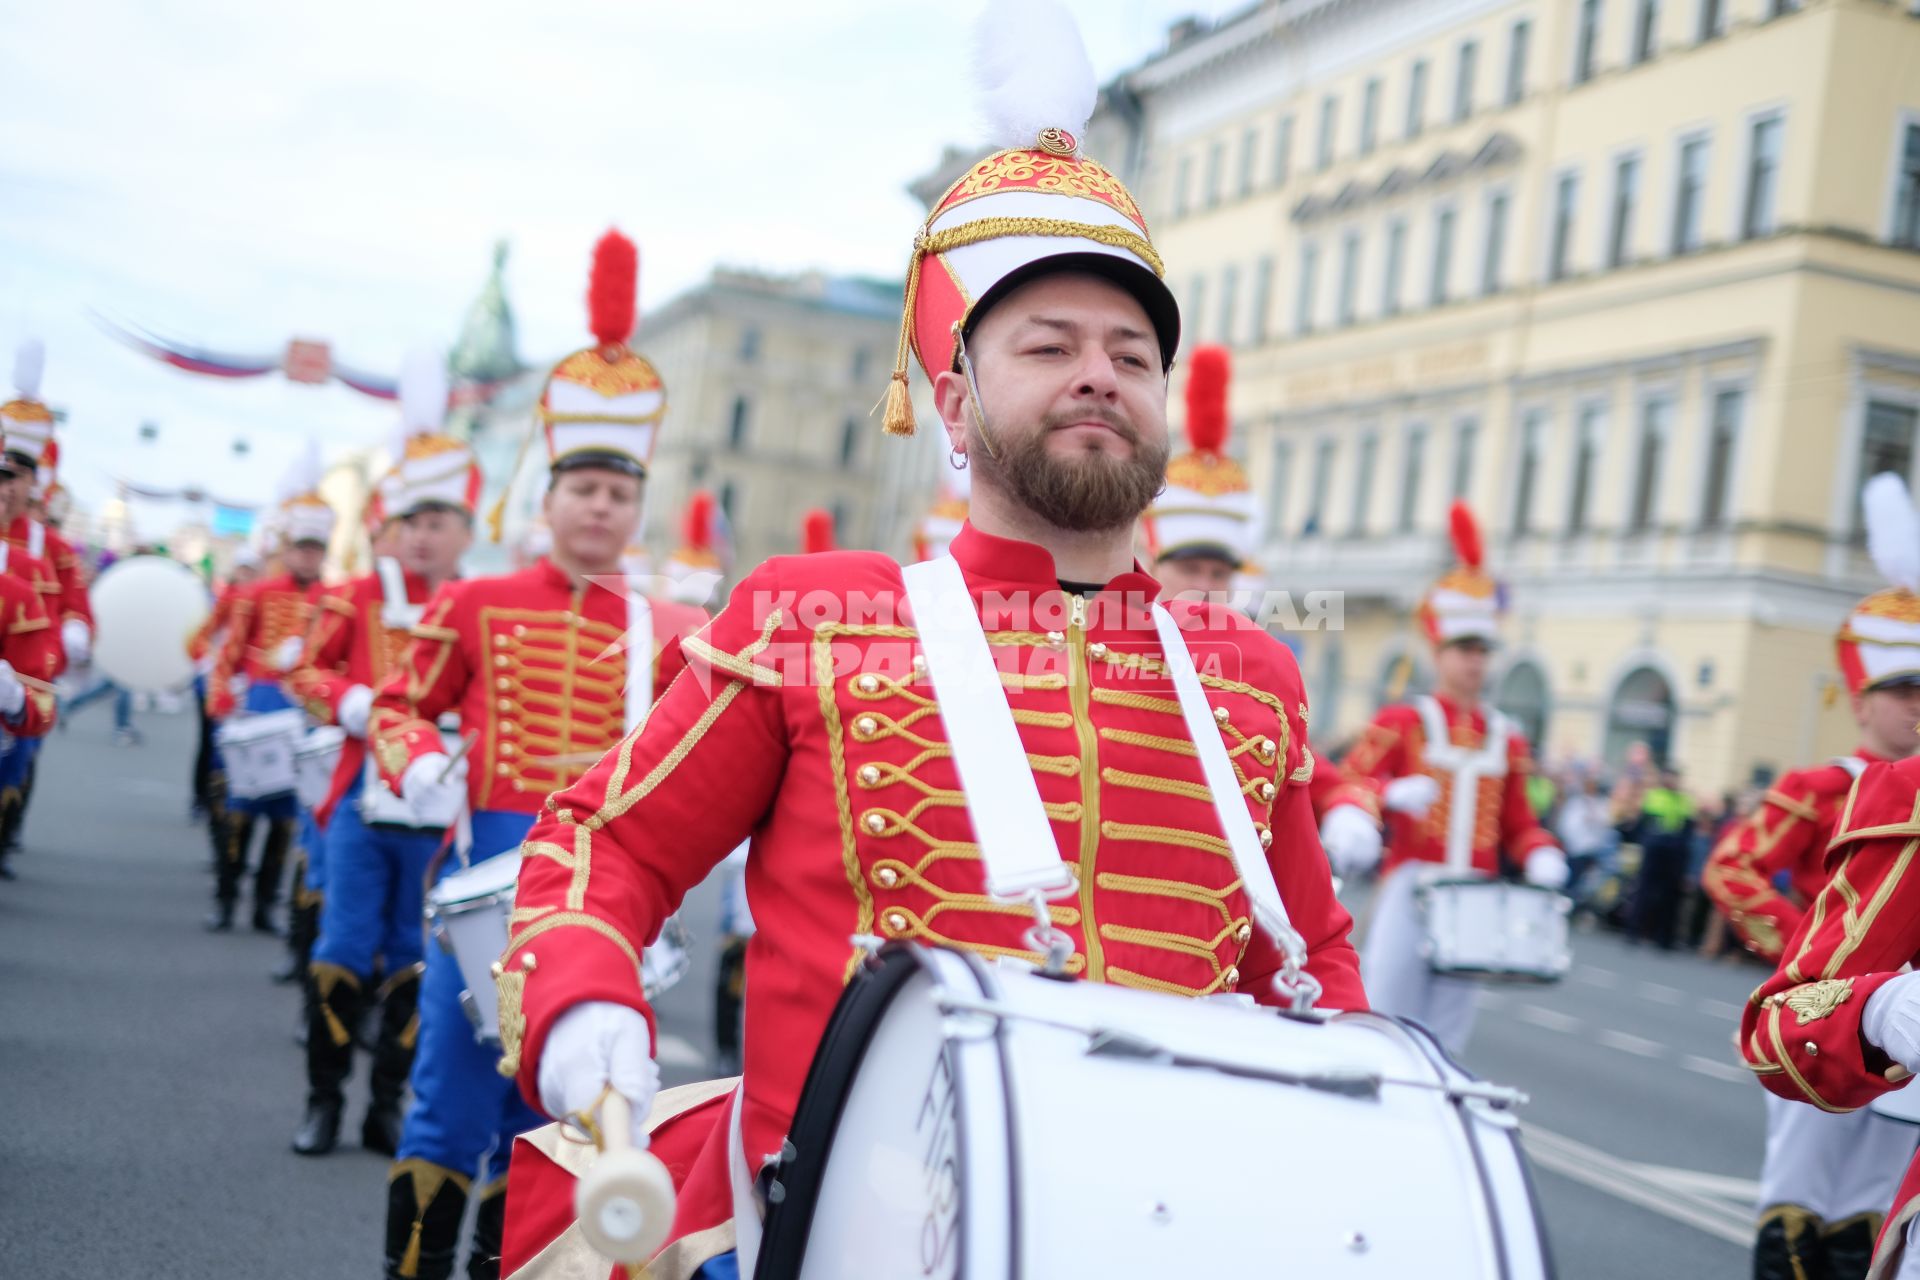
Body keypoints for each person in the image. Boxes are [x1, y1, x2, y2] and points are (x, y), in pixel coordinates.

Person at [497, 27, 1365, 1275]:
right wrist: (585, 999)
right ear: (953, 405)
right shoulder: (809, 613)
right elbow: (609, 843)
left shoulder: (1250, 669)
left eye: (1132, 354)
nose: (1099, 376)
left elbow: (1309, 953)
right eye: (1049, 344)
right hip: (834, 1230)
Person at [368, 230, 709, 1280]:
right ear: (547, 499)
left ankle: (499, 1262)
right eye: (584, 491)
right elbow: (396, 704)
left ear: (635, 508)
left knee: (568, 1114)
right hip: (484, 879)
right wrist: (419, 758)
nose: (601, 509)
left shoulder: (667, 626)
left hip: (602, 892)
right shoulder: (475, 601)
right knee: (449, 1099)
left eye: (619, 495)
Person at [1712, 472, 1920, 1278]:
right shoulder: (1823, 785)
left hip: (1900, 1025)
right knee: (1799, 1207)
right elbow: (1732, 867)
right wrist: (1805, 953)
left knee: (1872, 1214)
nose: (1913, 707)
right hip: (1828, 1003)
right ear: (1858, 699)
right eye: (1898, 691)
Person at [283, 353, 480, 1156]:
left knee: (410, 960)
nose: (426, 537)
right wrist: (353, 702)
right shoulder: (355, 597)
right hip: (359, 804)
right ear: (392, 524)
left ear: (466, 531)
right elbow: (305, 671)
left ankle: (382, 1106)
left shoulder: (478, 605)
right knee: (341, 948)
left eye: (442, 523)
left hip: (437, 815)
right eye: (415, 522)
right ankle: (323, 1099)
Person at [1144, 341, 1383, 877]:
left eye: (1219, 574)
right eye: (1190, 570)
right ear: (1153, 564)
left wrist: (1347, 805)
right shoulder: (1109, 641)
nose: (1205, 587)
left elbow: (1296, 764)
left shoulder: (1253, 668)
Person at [1339, 501, 1565, 1054]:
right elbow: (1350, 782)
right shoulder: (1405, 720)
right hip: (1411, 885)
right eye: (1465, 650)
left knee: (1448, 1031)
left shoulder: (1506, 736)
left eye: (1483, 651)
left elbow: (1518, 819)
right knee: (1385, 1011)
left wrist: (1539, 851)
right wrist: (1389, 795)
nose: (1475, 662)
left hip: (1478, 892)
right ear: (1440, 651)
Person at [204, 446, 333, 933]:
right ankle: (226, 897)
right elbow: (229, 652)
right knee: (242, 812)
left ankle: (263, 907)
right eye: (301, 546)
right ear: (287, 546)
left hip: (306, 711)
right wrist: (220, 697)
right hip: (259, 704)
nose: (307, 555)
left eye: (315, 548)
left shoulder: (334, 599)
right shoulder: (256, 593)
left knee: (286, 820)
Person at [1626, 765, 1694, 950]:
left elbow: (1688, 828)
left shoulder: (1684, 800)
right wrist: (1648, 842)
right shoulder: (1654, 795)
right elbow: (1643, 824)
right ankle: (1634, 931)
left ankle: (1664, 938)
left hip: (1673, 851)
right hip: (1655, 849)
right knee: (1644, 891)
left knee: (1669, 895)